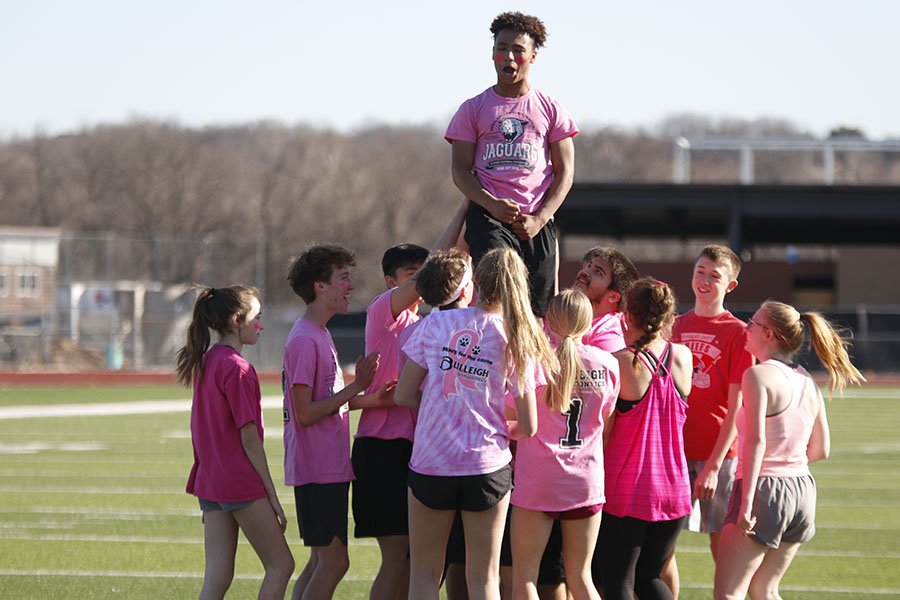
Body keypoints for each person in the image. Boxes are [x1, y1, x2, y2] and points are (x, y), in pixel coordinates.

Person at [396, 247, 557, 600]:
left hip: (431, 463)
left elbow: (403, 395)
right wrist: (493, 427)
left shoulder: (435, 323)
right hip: (486, 466)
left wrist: (440, 413)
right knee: (484, 579)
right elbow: (528, 426)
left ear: (476, 282)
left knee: (423, 575)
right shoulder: (517, 337)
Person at [353, 200, 469, 600]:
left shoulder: (429, 324)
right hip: (381, 448)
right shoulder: (382, 314)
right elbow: (436, 275)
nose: (420, 281)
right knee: (399, 556)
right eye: (410, 275)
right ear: (391, 282)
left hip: (419, 450)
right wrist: (462, 212)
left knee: (421, 560)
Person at [714, 300, 863, 599]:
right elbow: (822, 449)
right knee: (764, 589)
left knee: (729, 593)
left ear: (769, 334)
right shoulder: (806, 379)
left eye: (753, 323)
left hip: (764, 490)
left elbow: (757, 441)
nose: (747, 327)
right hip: (802, 491)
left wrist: (746, 504)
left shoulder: (757, 375)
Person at [282, 245, 396, 600]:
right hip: (317, 468)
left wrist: (372, 399)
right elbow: (305, 412)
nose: (350, 285)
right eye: (343, 278)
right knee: (334, 563)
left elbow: (327, 404)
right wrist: (358, 387)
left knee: (320, 563)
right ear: (320, 286)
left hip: (327, 466)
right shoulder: (304, 340)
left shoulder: (319, 334)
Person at [446, 11, 578, 317]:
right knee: (498, 299)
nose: (509, 56)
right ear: (493, 54)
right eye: (502, 48)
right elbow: (460, 171)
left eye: (518, 50)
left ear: (532, 56)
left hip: (536, 221)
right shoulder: (472, 109)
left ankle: (530, 364)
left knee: (538, 312)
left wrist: (541, 218)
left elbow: (565, 172)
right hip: (489, 217)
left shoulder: (551, 109)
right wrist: (491, 205)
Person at [176, 286, 294, 600]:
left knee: (216, 578)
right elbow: (250, 438)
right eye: (257, 316)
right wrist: (271, 494)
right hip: (238, 482)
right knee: (281, 566)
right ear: (236, 319)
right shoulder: (238, 368)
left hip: (211, 481)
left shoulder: (207, 361)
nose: (262, 324)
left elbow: (199, 429)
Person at [510, 289, 619, 600]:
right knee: (582, 580)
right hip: (585, 479)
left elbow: (511, 413)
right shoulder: (608, 363)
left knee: (525, 579)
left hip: (538, 479)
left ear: (549, 321)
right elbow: (606, 422)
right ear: (588, 322)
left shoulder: (534, 362)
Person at [664, 245, 755, 595]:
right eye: (700, 272)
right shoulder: (674, 326)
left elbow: (737, 409)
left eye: (714, 276)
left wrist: (714, 467)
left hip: (720, 457)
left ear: (730, 285)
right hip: (673, 455)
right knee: (661, 550)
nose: (704, 281)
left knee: (724, 554)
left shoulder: (738, 333)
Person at [597, 278, 693, 600]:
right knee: (649, 577)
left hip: (630, 491)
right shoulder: (682, 356)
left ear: (626, 314)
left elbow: (605, 431)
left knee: (618, 582)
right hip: (675, 489)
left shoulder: (621, 361)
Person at [571, 247, 640, 352]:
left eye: (598, 272)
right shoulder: (560, 310)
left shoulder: (611, 337)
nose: (585, 272)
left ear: (613, 297)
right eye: (588, 266)